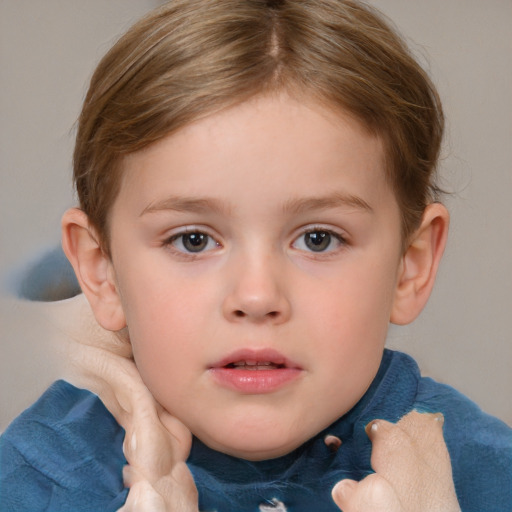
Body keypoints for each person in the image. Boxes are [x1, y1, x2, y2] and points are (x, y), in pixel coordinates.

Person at [0, 0, 510, 511]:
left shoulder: (488, 472)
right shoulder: (32, 481)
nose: (257, 296)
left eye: (318, 238)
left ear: (411, 264)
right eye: (193, 240)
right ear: (101, 271)